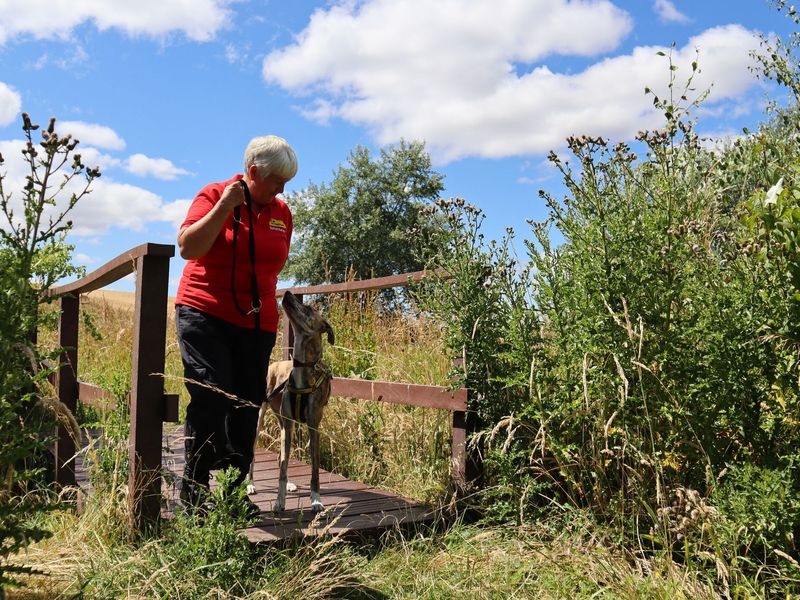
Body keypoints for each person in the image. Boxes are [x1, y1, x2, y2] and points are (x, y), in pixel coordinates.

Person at [174, 135, 296, 514]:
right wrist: (226, 206)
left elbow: (274, 266)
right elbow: (188, 247)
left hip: (256, 324)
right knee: (211, 398)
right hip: (204, 313)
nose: (282, 188)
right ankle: (194, 492)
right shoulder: (213, 195)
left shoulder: (281, 213)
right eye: (277, 179)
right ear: (254, 171)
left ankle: (232, 494)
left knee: (246, 406)